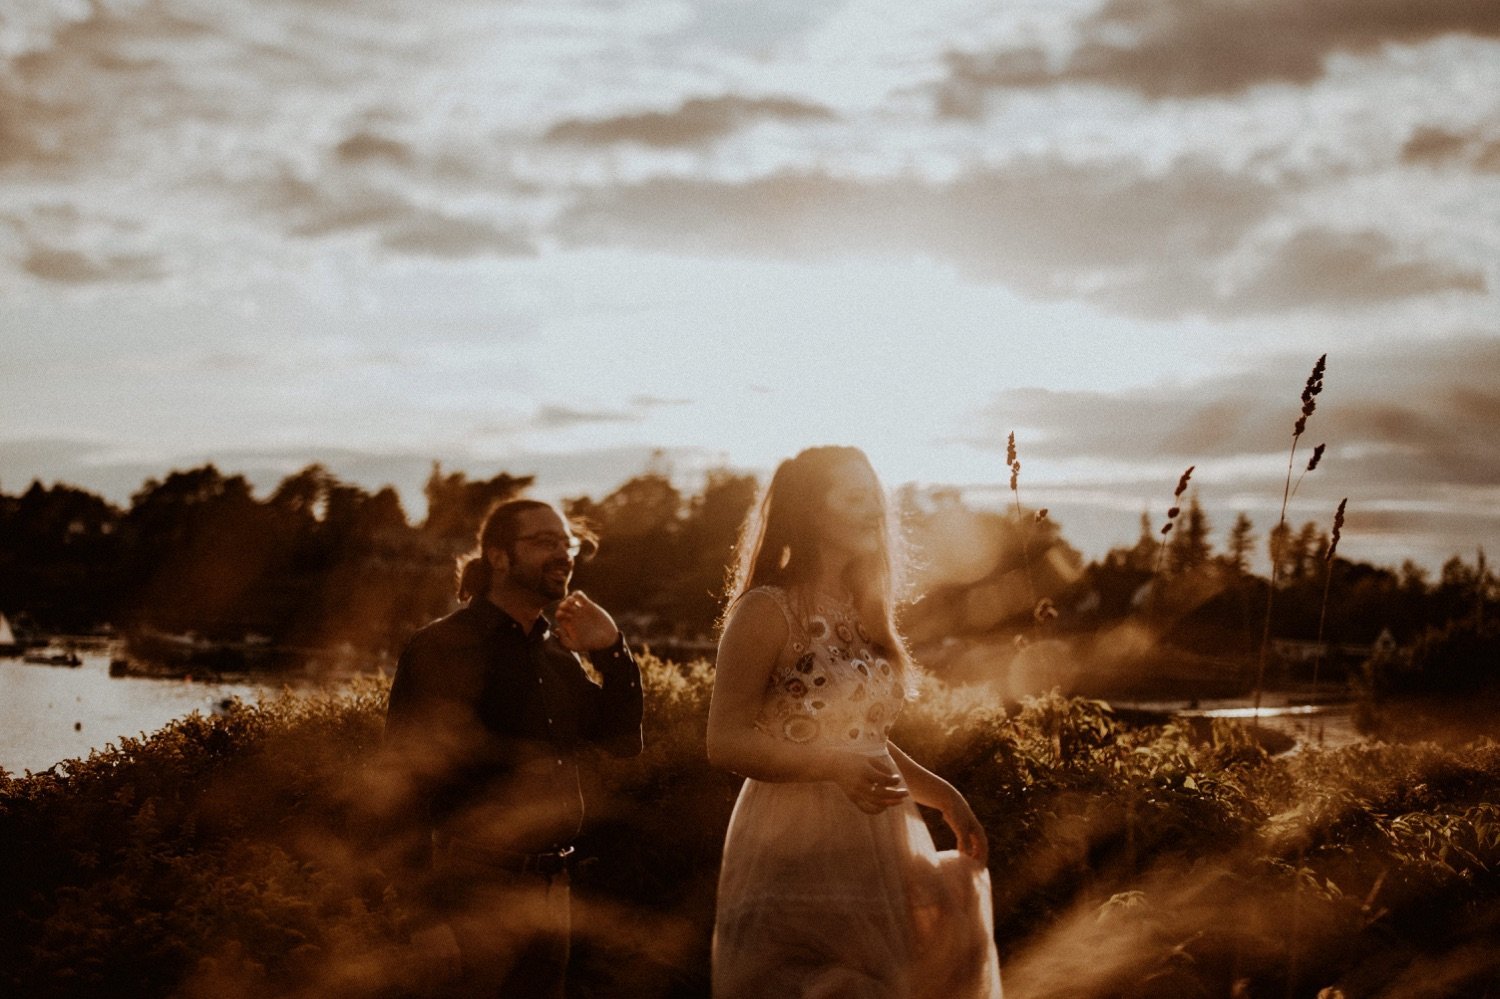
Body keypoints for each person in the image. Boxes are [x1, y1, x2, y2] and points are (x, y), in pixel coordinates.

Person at [707, 446, 1003, 998]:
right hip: (792, 837)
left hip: (879, 832)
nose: (874, 509)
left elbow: (864, 740)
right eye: (854, 495)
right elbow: (724, 742)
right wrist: (834, 767)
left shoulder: (864, 610)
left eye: (875, 495)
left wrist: (945, 796)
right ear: (811, 510)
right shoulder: (767, 610)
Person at [383, 498, 644, 999]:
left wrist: (613, 650)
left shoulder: (557, 653)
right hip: (473, 895)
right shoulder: (443, 646)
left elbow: (622, 741)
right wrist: (425, 919)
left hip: (555, 892)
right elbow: (402, 789)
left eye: (566, 543)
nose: (564, 554)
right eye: (545, 541)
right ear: (499, 556)